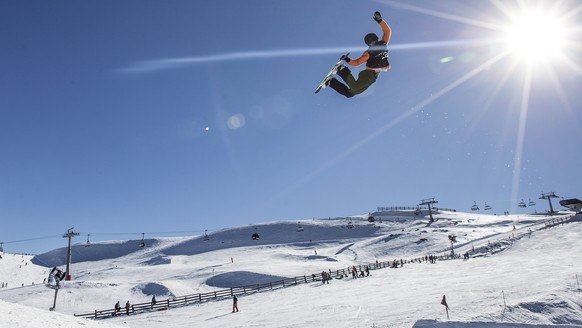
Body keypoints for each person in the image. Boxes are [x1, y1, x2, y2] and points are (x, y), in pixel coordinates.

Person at [324, 11, 392, 98]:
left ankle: (331, 82)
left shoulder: (383, 43)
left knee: (351, 93)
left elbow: (387, 31)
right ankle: (341, 69)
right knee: (355, 87)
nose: (372, 44)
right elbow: (357, 62)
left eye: (373, 42)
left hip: (374, 76)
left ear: (376, 39)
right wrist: (348, 60)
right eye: (370, 44)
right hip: (370, 74)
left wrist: (380, 20)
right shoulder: (368, 53)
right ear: (368, 45)